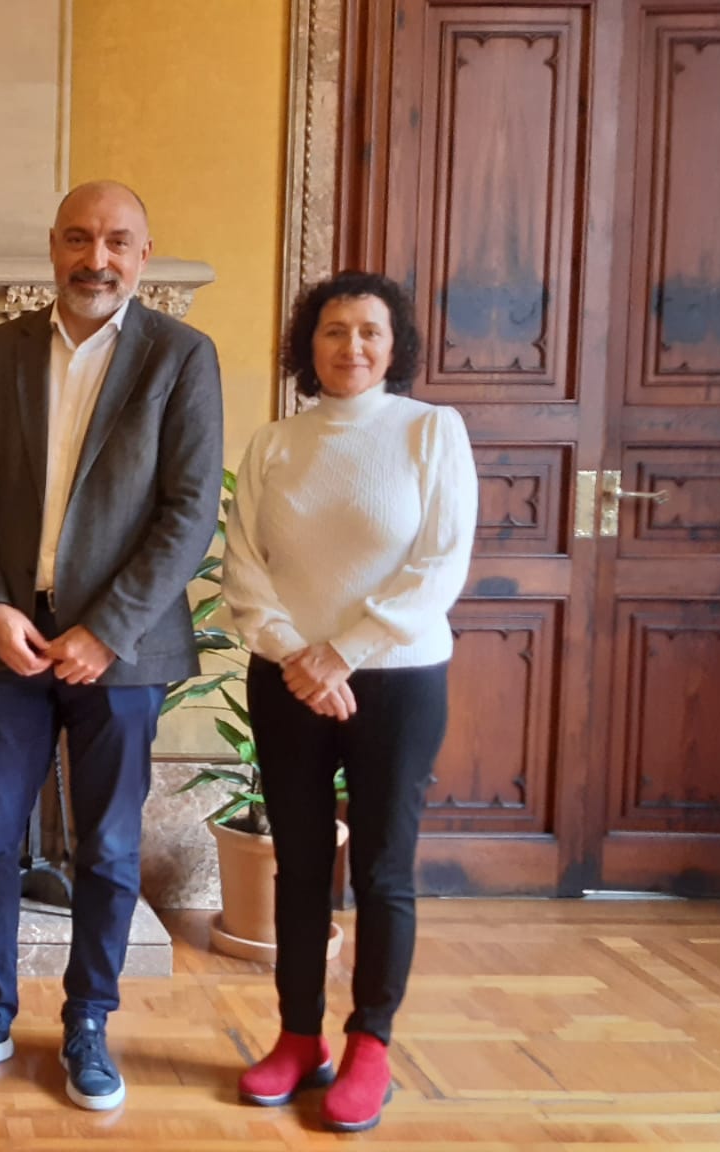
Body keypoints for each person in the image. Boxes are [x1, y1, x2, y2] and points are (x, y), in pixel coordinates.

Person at [0, 180, 224, 1111]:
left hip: (120, 650)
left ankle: (88, 1021)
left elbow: (188, 510)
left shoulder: (182, 357)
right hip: (6, 638)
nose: (98, 257)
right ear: (53, 246)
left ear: (144, 251)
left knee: (111, 848)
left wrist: (107, 628)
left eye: (118, 241)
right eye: (80, 238)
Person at [224, 271, 475, 1133]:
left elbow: (439, 565)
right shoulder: (274, 444)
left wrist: (344, 653)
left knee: (381, 869)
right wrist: (302, 658)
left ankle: (372, 1043)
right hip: (289, 681)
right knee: (299, 867)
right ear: (310, 344)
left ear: (394, 343)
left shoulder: (432, 433)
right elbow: (245, 570)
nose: (352, 347)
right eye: (334, 330)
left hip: (399, 683)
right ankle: (299, 1037)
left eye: (370, 330)